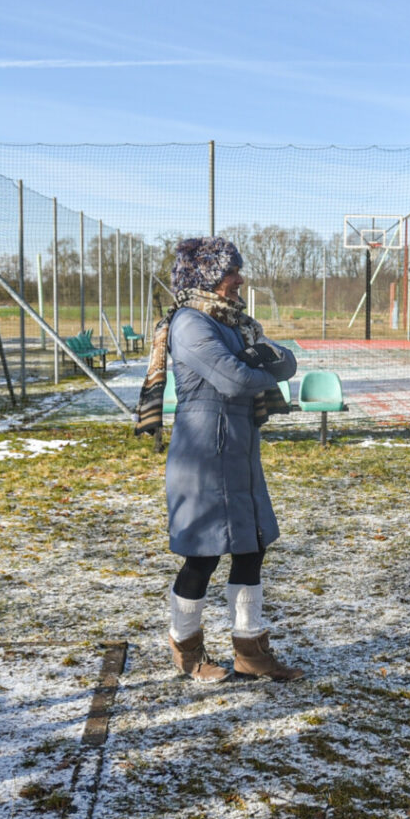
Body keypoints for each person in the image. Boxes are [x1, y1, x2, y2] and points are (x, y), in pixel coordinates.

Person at [139, 236, 304, 682]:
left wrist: (262, 359)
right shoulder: (190, 324)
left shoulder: (233, 323)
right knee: (203, 555)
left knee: (251, 548)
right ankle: (186, 646)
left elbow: (287, 362)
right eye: (231, 271)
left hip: (240, 450)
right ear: (206, 277)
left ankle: (251, 651)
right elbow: (234, 380)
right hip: (202, 455)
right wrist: (261, 361)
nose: (239, 279)